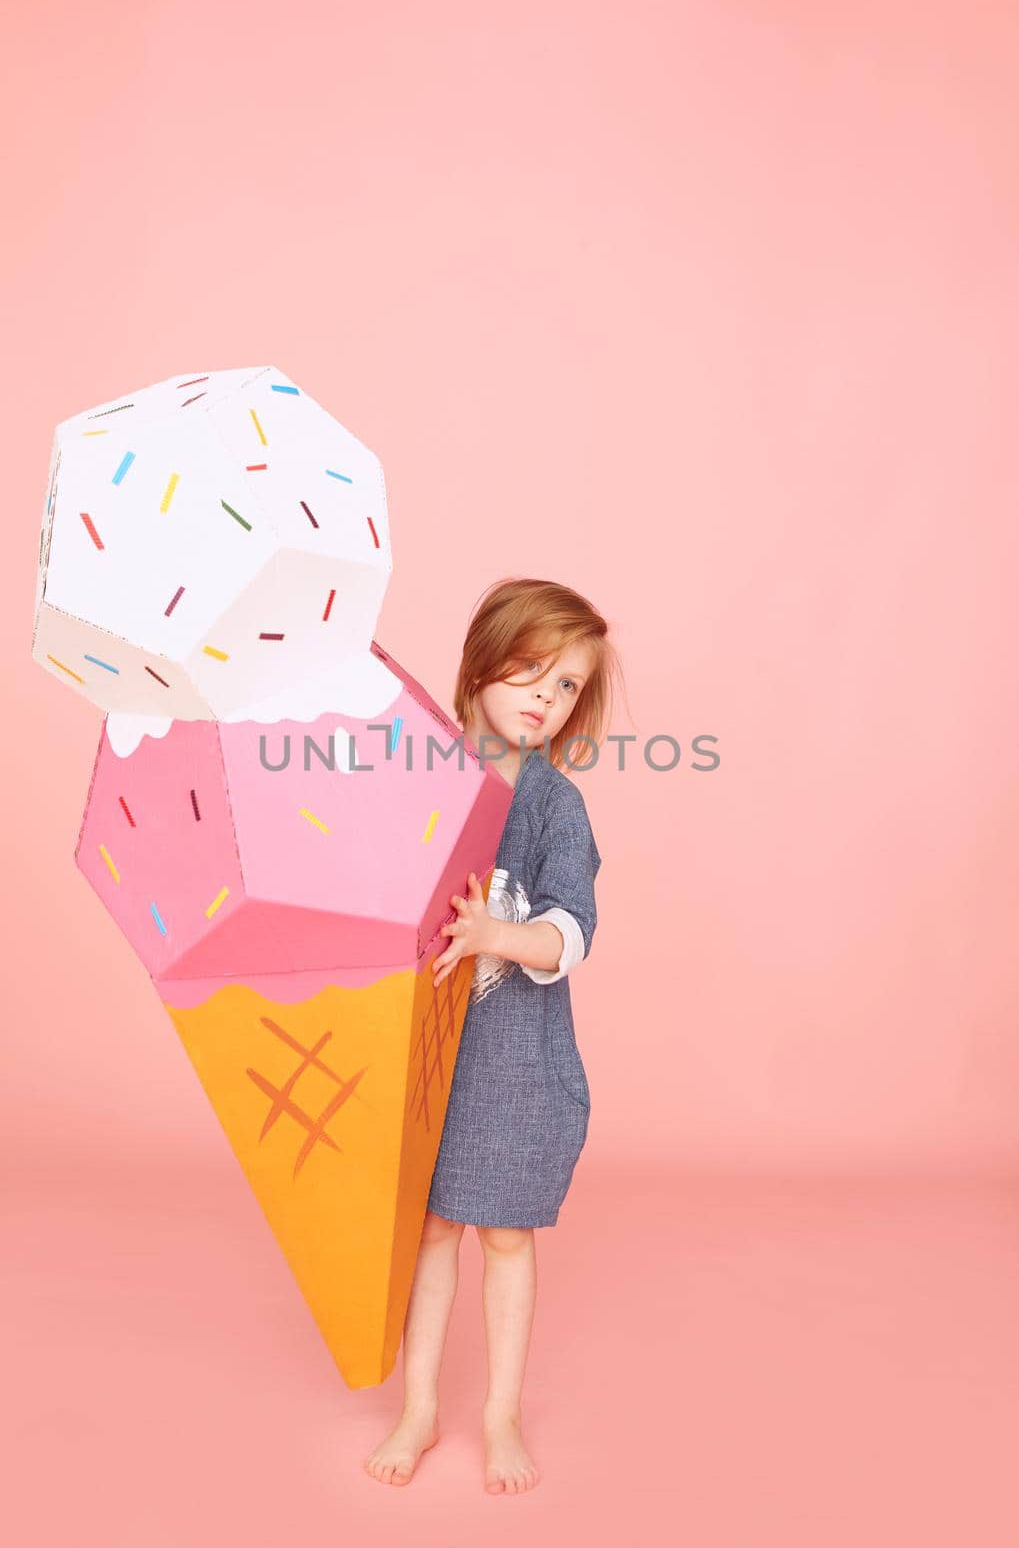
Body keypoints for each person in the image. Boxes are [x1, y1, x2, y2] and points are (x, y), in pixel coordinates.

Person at [365, 576, 623, 1494]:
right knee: (432, 1231)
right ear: (480, 666)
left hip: (515, 1064)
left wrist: (494, 937)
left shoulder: (554, 807)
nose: (544, 701)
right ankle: (420, 1405)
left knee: (506, 1237)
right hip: (429, 1061)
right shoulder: (424, 776)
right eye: (530, 673)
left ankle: (500, 1410)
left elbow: (570, 932)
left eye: (564, 688)